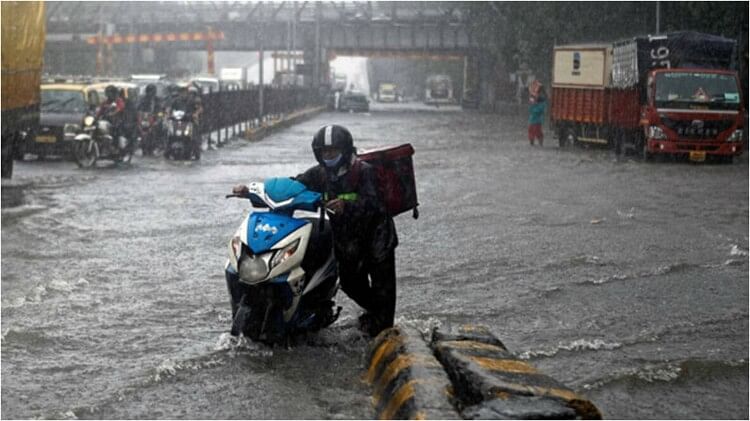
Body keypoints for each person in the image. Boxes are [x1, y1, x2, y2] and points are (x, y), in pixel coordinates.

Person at [232, 125, 399, 337]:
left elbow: (376, 204)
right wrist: (251, 192)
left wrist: (347, 206)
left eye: (333, 151)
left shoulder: (364, 172)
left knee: (383, 289)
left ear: (345, 150)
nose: (328, 156)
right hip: (348, 238)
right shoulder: (320, 174)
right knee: (349, 282)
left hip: (377, 238)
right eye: (324, 152)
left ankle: (384, 326)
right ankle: (374, 314)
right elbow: (291, 187)